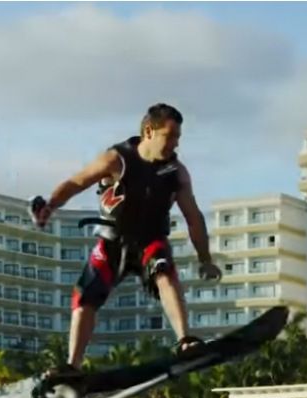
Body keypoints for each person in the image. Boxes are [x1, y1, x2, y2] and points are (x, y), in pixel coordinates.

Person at [30, 103, 222, 379]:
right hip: (112, 243)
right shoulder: (116, 159)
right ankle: (73, 366)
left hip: (150, 242)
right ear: (148, 131)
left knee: (164, 271)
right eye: (170, 136)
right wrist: (50, 206)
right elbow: (77, 182)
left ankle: (184, 340)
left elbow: (193, 217)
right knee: (84, 297)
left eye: (178, 138)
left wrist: (205, 259)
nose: (175, 144)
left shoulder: (176, 172)